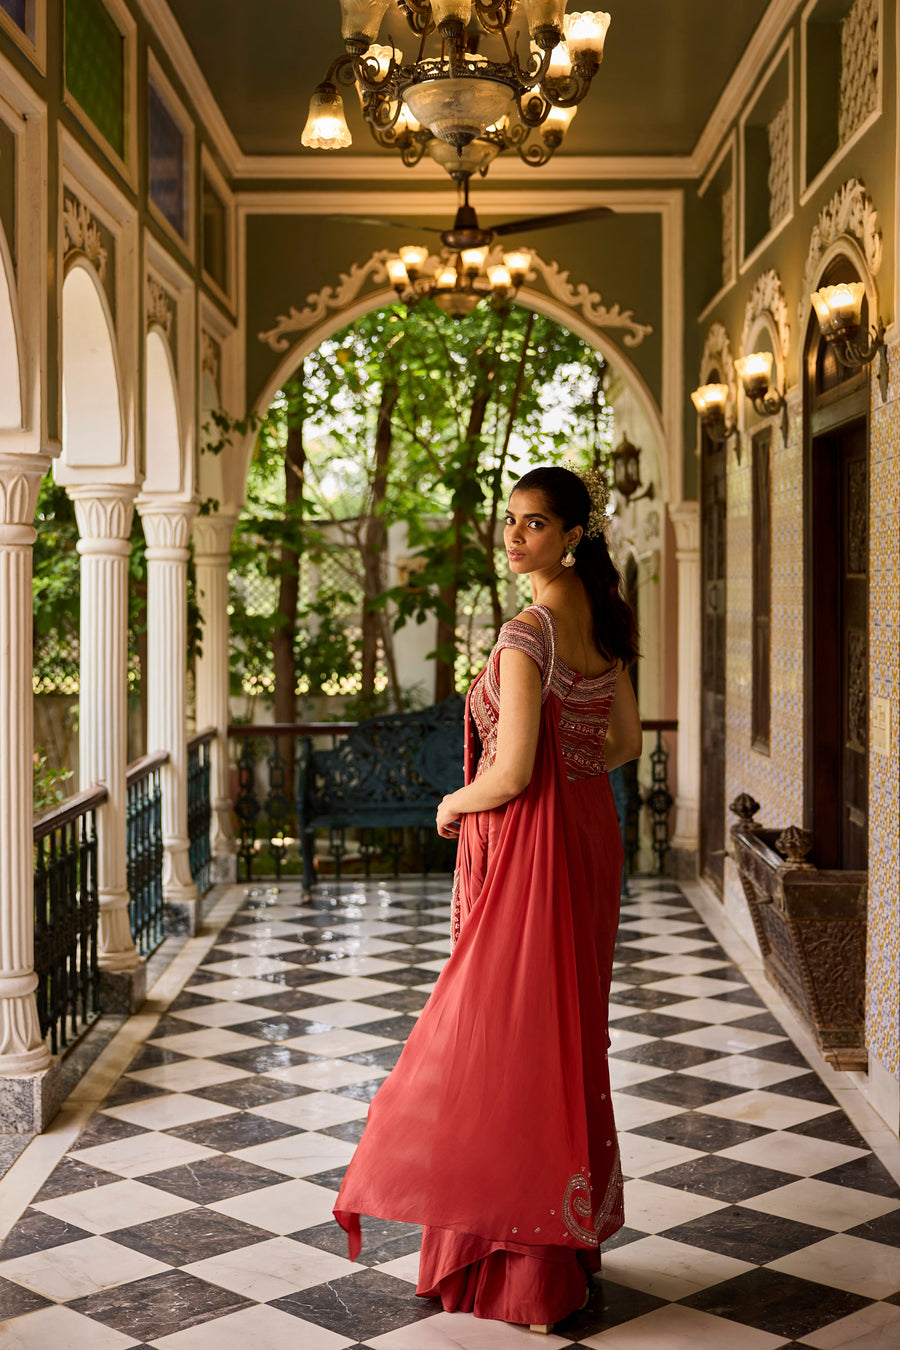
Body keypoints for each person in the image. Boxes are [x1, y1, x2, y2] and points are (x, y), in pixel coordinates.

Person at [334, 464, 643, 1332]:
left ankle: (523, 1273)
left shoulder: (526, 632)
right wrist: (568, 777)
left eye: (535, 523)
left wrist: (449, 802)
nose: (514, 536)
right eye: (510, 520)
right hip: (586, 838)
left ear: (572, 533)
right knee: (564, 1032)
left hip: (532, 849)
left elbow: (505, 774)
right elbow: (620, 744)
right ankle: (559, 1252)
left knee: (503, 1038)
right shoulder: (607, 621)